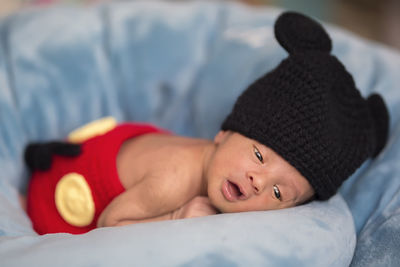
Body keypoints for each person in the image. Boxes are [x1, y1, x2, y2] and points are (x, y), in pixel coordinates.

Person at [23, 11, 389, 235]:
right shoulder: (174, 180)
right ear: (224, 132)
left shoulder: (217, 161)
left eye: (279, 194)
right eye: (259, 156)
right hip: (63, 202)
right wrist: (175, 217)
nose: (258, 181)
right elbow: (110, 225)